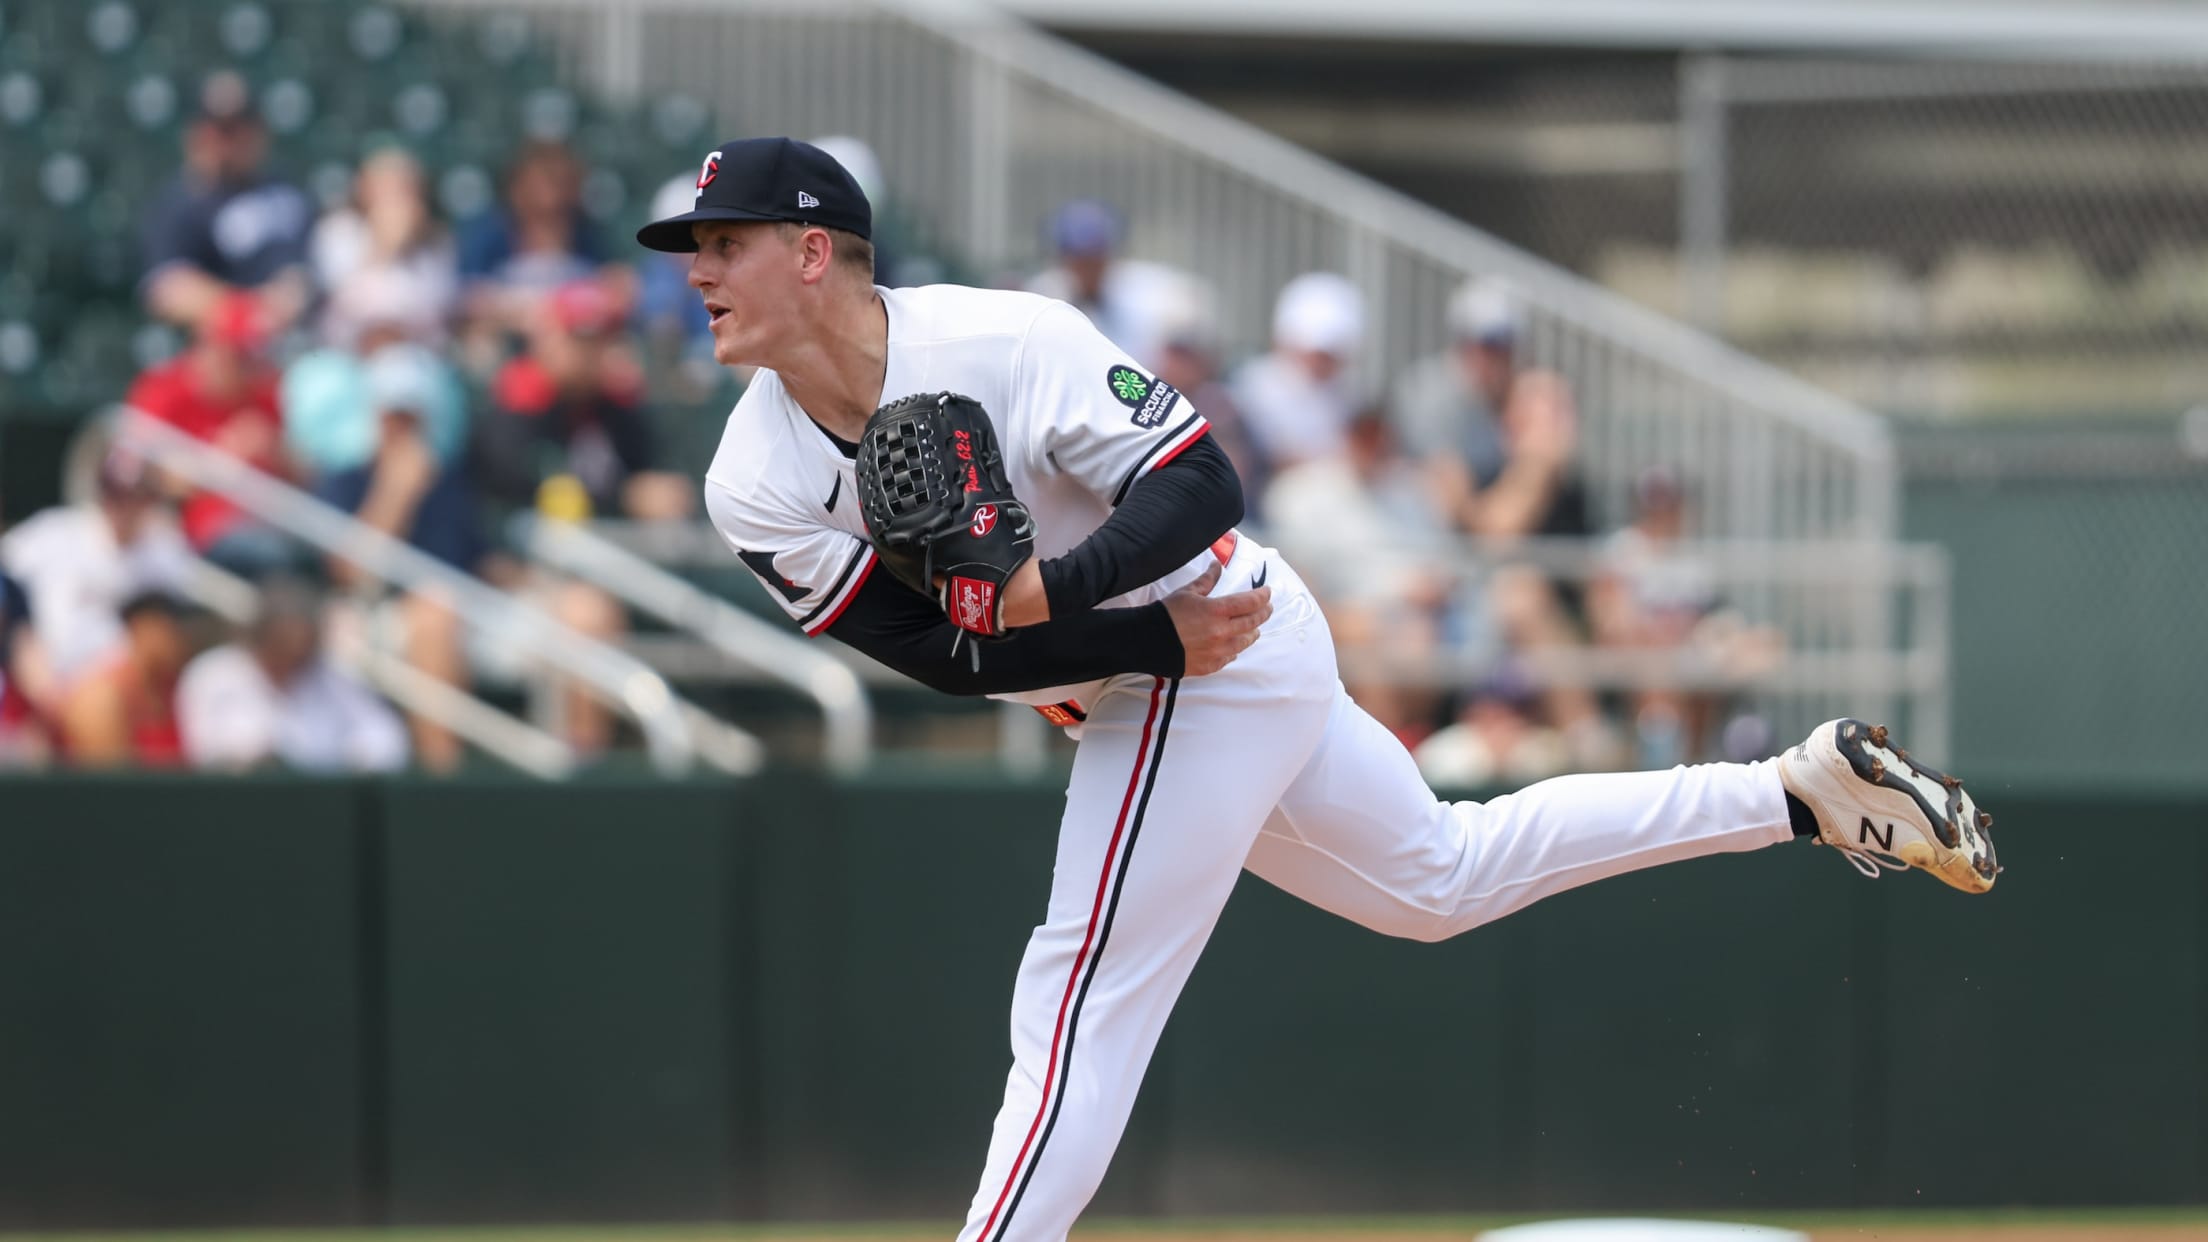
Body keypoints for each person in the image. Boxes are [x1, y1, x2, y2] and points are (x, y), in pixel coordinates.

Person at [639, 136, 1999, 1242]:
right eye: (692, 250)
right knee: (1443, 880)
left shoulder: (1001, 340)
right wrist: (1137, 641)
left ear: (813, 251)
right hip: (1169, 668)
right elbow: (938, 653)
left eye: (723, 244)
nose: (696, 271)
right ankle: (1796, 792)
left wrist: (1122, 618)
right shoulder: (751, 476)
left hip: (1224, 638)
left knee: (1077, 1001)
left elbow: (1201, 480)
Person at [123, 289, 298, 575]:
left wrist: (277, 451)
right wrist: (220, 459)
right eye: (239, 356)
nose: (250, 368)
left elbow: (303, 478)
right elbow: (136, 476)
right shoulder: (162, 391)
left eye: (252, 358)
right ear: (209, 345)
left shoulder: (266, 395)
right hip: (193, 538)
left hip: (270, 526)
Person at [139, 71, 314, 337]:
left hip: (300, 333)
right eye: (220, 131)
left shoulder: (286, 191)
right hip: (228, 346)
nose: (229, 142)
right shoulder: (182, 204)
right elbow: (168, 289)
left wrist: (291, 295)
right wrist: (249, 309)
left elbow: (311, 264)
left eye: (239, 129)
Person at [176, 576, 408, 773]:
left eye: (303, 645)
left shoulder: (331, 675)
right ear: (263, 635)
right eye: (283, 643)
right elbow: (203, 752)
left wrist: (348, 762)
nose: (294, 654)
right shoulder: (211, 674)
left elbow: (386, 738)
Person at [309, 145, 460, 350]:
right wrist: (382, 245)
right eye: (386, 183)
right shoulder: (338, 230)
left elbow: (437, 307)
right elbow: (343, 300)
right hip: (348, 352)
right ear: (363, 186)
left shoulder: (436, 239)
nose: (396, 193)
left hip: (417, 353)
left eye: (405, 185)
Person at [1229, 271, 1367, 485]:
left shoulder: (1349, 393)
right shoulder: (1254, 386)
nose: (1319, 362)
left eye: (1329, 355)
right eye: (1315, 352)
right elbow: (1274, 458)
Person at [1025, 199, 1188, 369]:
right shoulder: (1041, 295)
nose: (1087, 269)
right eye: (1078, 260)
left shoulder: (1158, 292)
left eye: (1095, 258)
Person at [54, 590, 191, 768]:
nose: (182, 637)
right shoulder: (101, 698)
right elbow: (113, 787)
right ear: (140, 628)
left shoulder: (179, 687)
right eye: (171, 627)